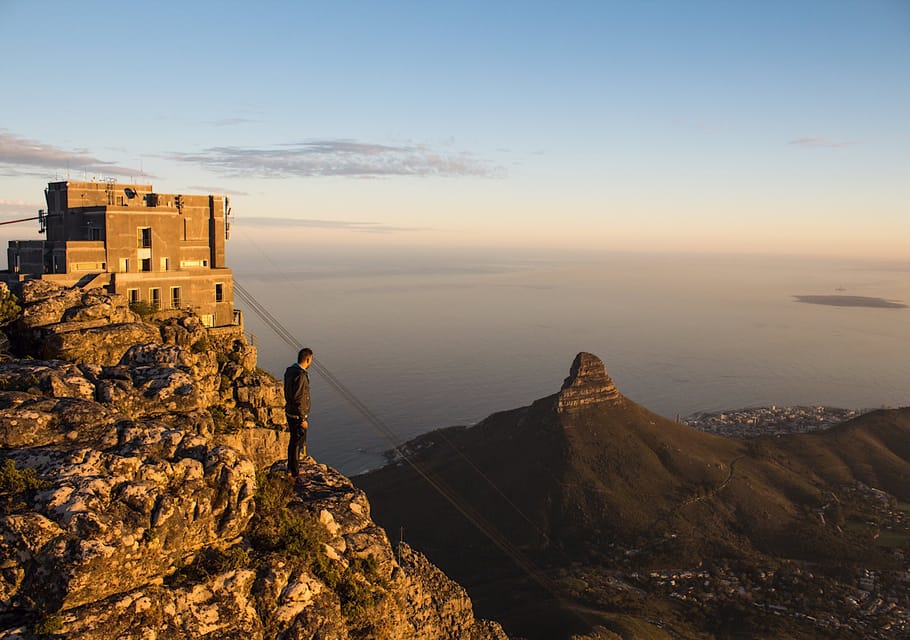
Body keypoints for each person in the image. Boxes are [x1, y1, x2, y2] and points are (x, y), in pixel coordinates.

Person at [284, 347, 313, 478]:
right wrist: (302, 419)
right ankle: (295, 472)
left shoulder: (290, 371)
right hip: (297, 415)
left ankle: (291, 468)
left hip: (290, 411)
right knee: (297, 443)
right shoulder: (301, 375)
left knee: (293, 441)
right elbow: (299, 397)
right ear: (307, 359)